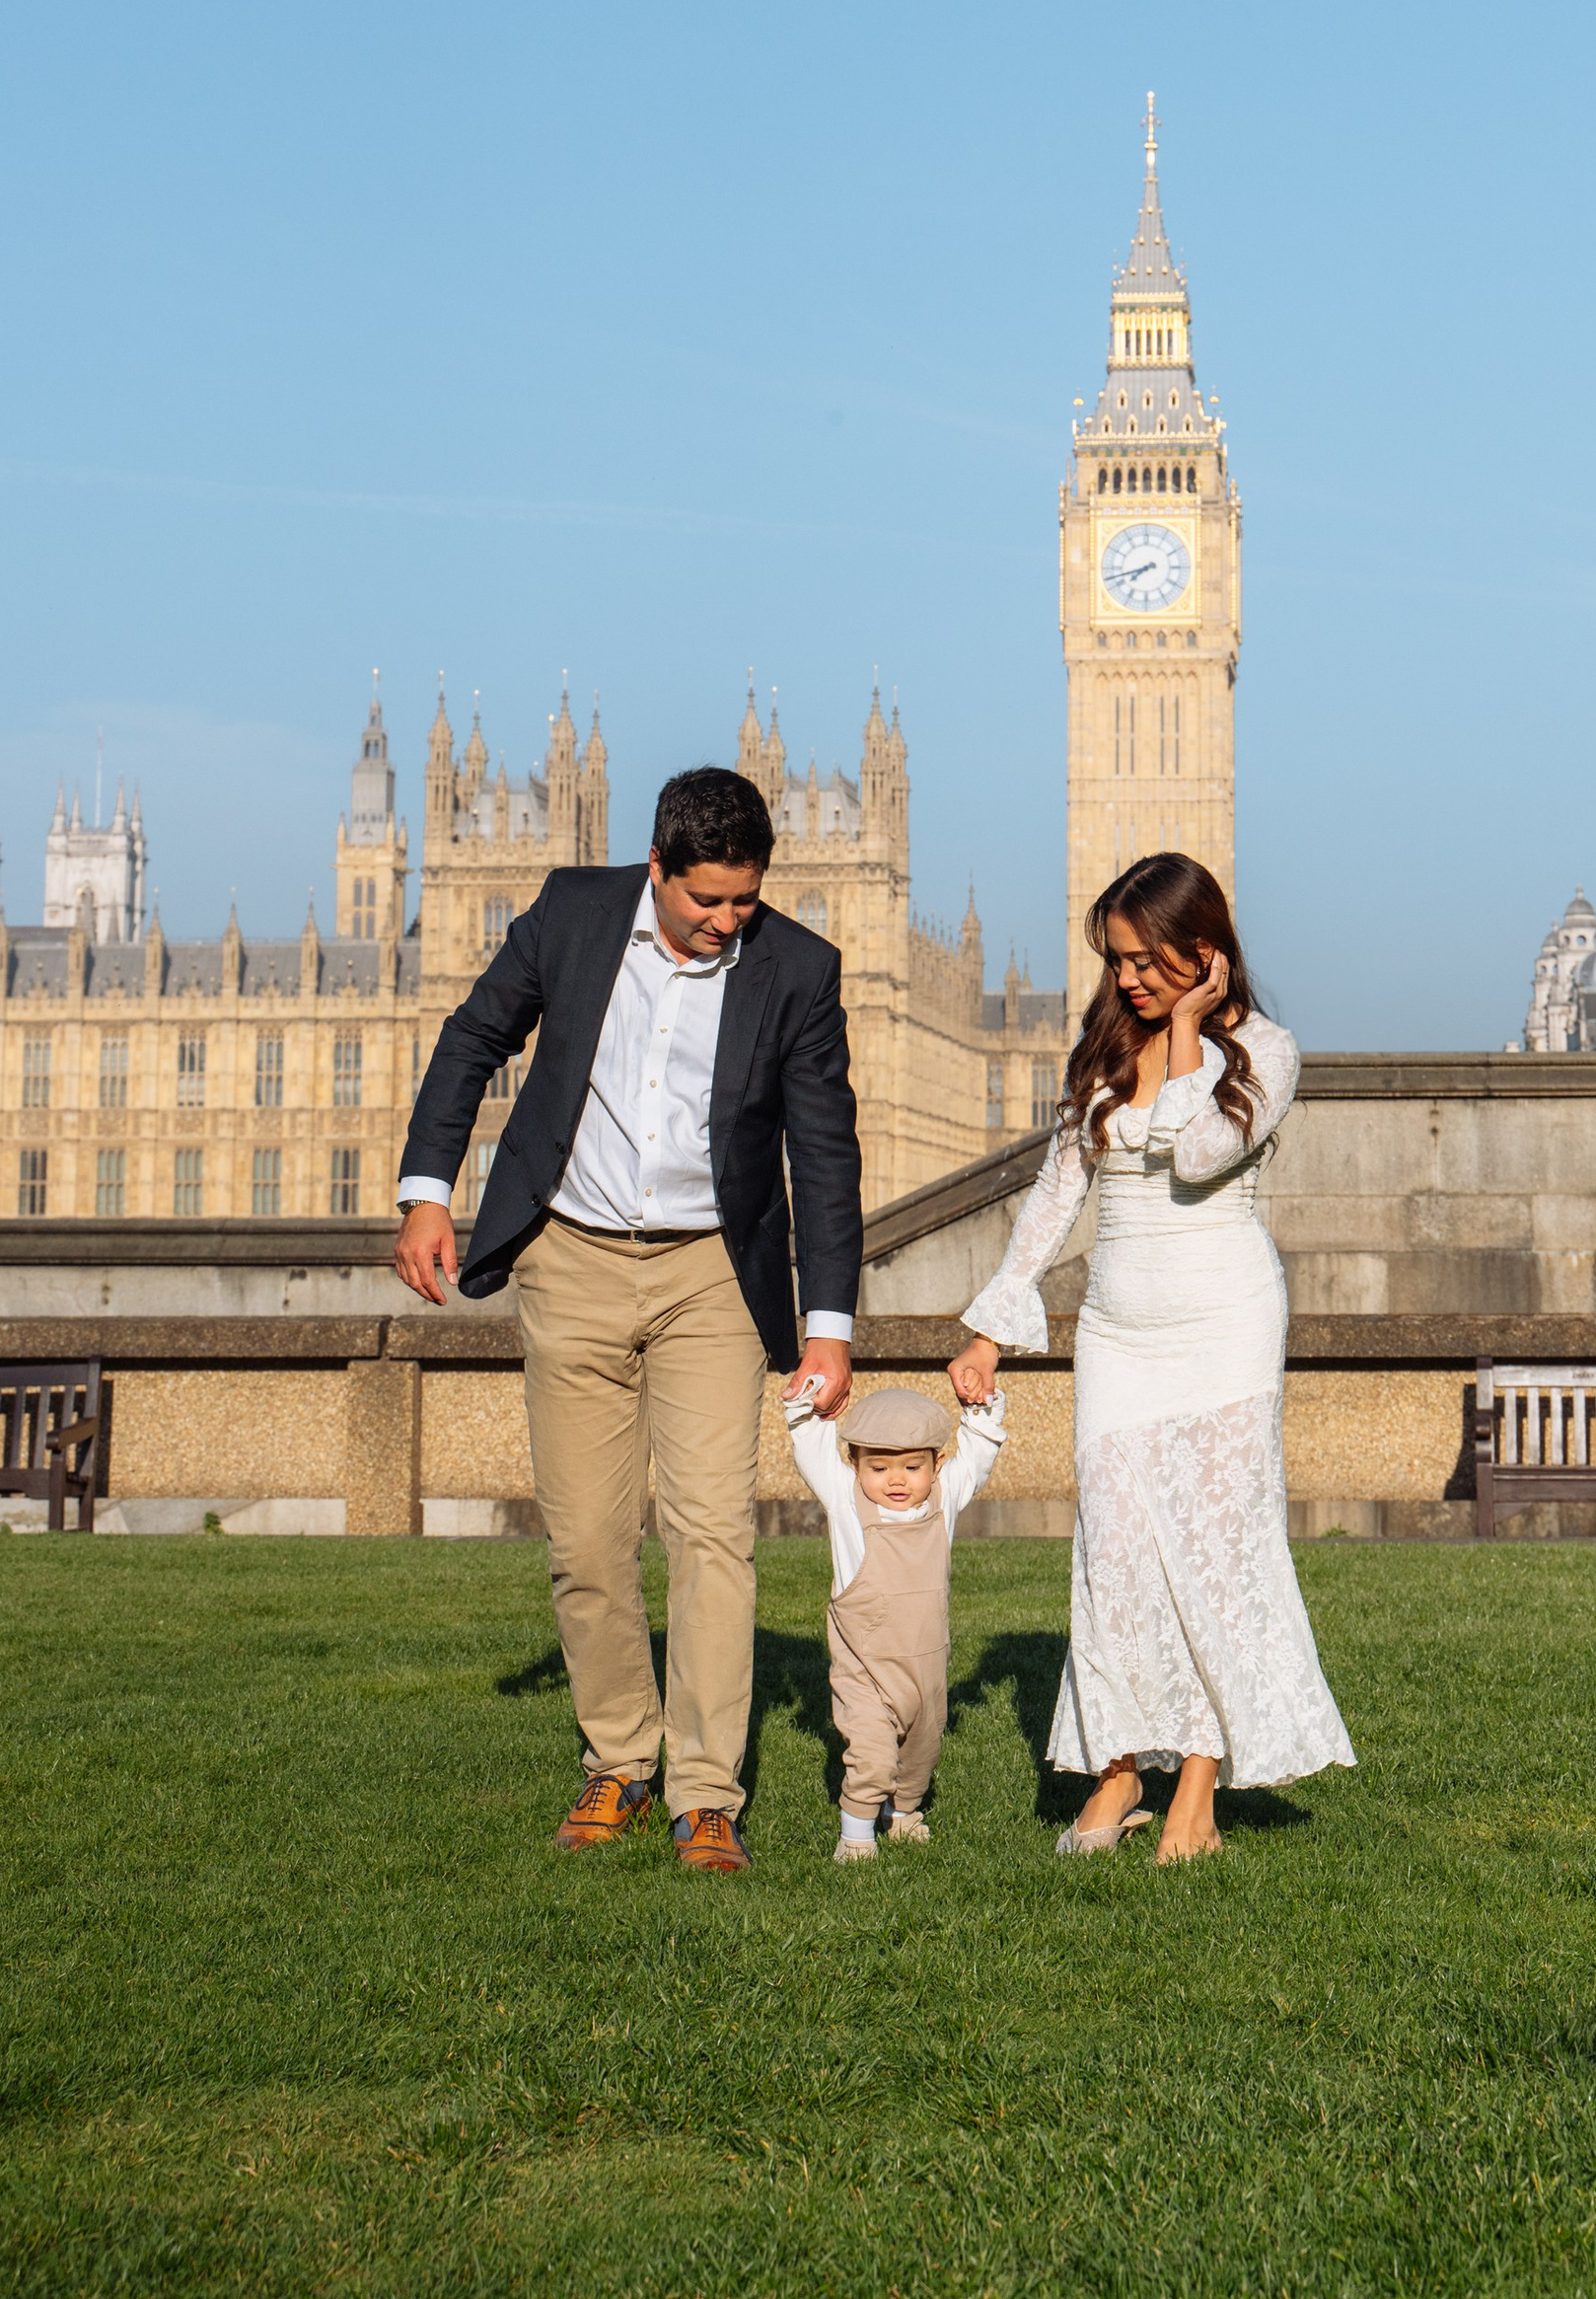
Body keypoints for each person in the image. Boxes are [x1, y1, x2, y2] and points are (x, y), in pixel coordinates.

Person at [392, 763, 863, 1875]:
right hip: (571, 1256)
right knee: (589, 1539)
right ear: (657, 868)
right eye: (707, 901)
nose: (727, 923)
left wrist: (829, 1321)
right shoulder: (573, 912)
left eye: (744, 901)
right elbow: (471, 1040)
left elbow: (824, 1151)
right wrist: (425, 1192)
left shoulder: (798, 969)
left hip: (710, 1272)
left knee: (713, 1533)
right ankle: (619, 1761)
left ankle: (707, 1791)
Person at [947, 852, 1352, 1864]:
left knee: (1221, 1555)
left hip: (1224, 1325)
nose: (1126, 979)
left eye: (1143, 960)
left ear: (1202, 951)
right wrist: (992, 1324)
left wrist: (1182, 1035)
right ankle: (1119, 1770)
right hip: (1119, 1333)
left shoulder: (1265, 1050)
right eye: (1117, 962)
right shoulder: (1104, 1048)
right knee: (1115, 1559)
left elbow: (1199, 1153)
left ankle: (1198, 1794)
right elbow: (1054, 1192)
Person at [784, 1378, 1009, 1862]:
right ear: (854, 1465)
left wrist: (983, 1412)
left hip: (926, 1667)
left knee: (921, 1751)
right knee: (872, 1752)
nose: (897, 1480)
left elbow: (977, 1459)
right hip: (865, 1665)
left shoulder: (943, 1501)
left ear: (935, 1466)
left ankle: (902, 1812)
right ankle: (857, 1836)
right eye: (879, 1467)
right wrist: (806, 1411)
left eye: (912, 1467)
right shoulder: (847, 1503)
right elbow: (813, 1454)